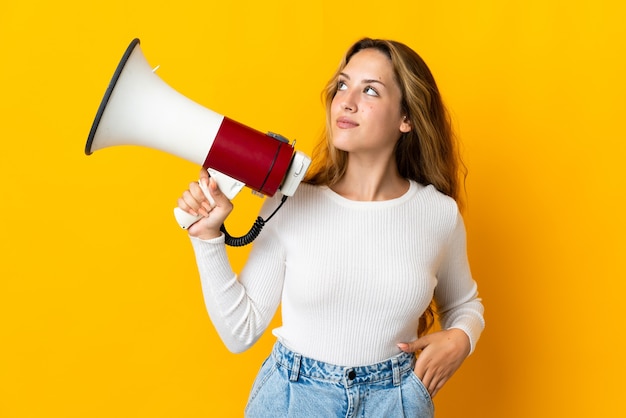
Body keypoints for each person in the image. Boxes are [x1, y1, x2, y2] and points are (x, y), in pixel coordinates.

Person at [177, 37, 485, 417]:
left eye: (369, 90)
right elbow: (240, 331)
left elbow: (464, 304)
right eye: (342, 84)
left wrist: (461, 339)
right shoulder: (292, 203)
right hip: (293, 398)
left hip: (395, 402)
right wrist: (207, 237)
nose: (347, 100)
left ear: (407, 118)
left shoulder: (438, 213)